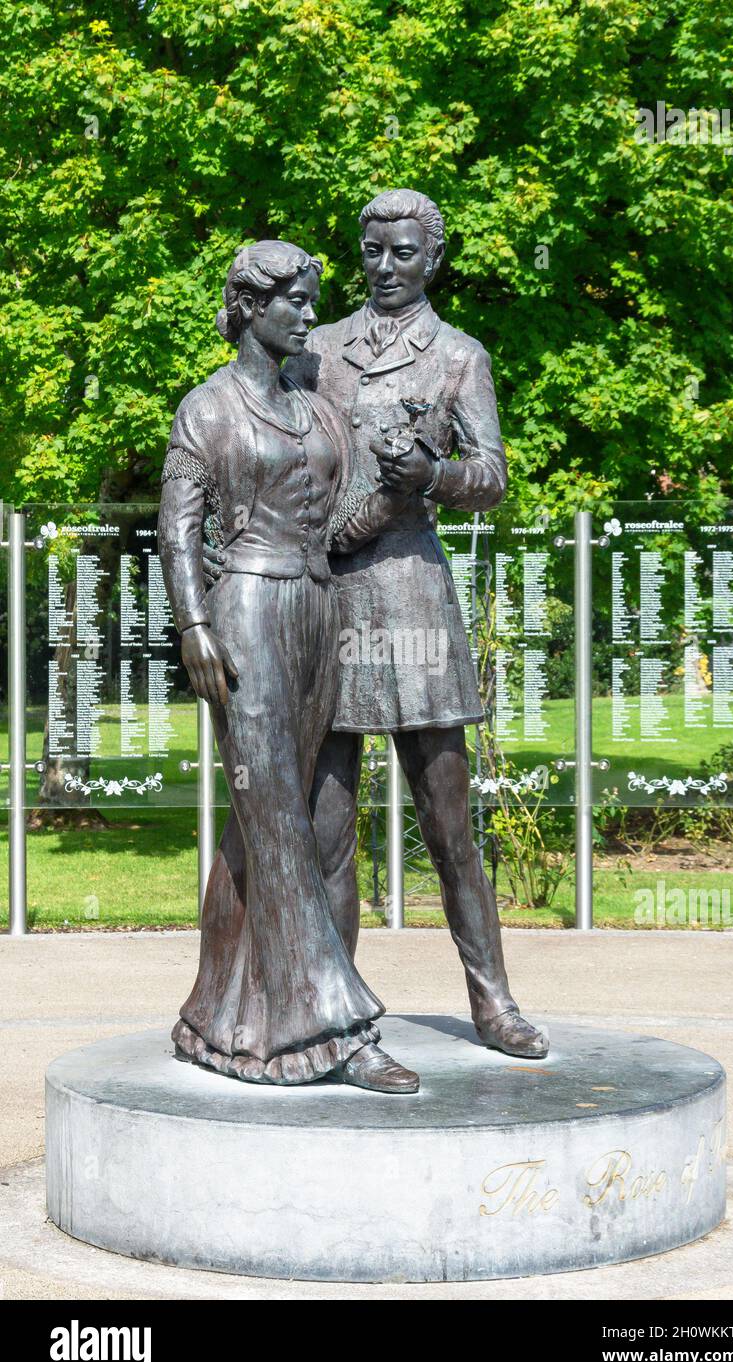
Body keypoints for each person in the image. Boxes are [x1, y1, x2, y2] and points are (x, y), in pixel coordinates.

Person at [207, 193, 549, 1060]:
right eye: (372, 251)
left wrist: (432, 472)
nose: (384, 267)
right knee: (327, 825)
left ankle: (493, 999)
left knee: (448, 822)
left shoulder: (460, 358)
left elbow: (494, 479)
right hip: (327, 598)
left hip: (411, 602)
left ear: (432, 259)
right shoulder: (316, 350)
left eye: (401, 253)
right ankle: (338, 1017)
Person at [158, 240, 418, 1093]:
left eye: (310, 301)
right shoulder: (208, 408)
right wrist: (194, 622)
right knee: (274, 815)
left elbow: (343, 525)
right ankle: (339, 1028)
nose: (310, 316)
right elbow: (177, 529)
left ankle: (217, 1019)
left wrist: (405, 483)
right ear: (251, 306)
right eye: (295, 303)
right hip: (244, 612)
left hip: (317, 610)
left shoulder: (318, 410)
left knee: (271, 820)